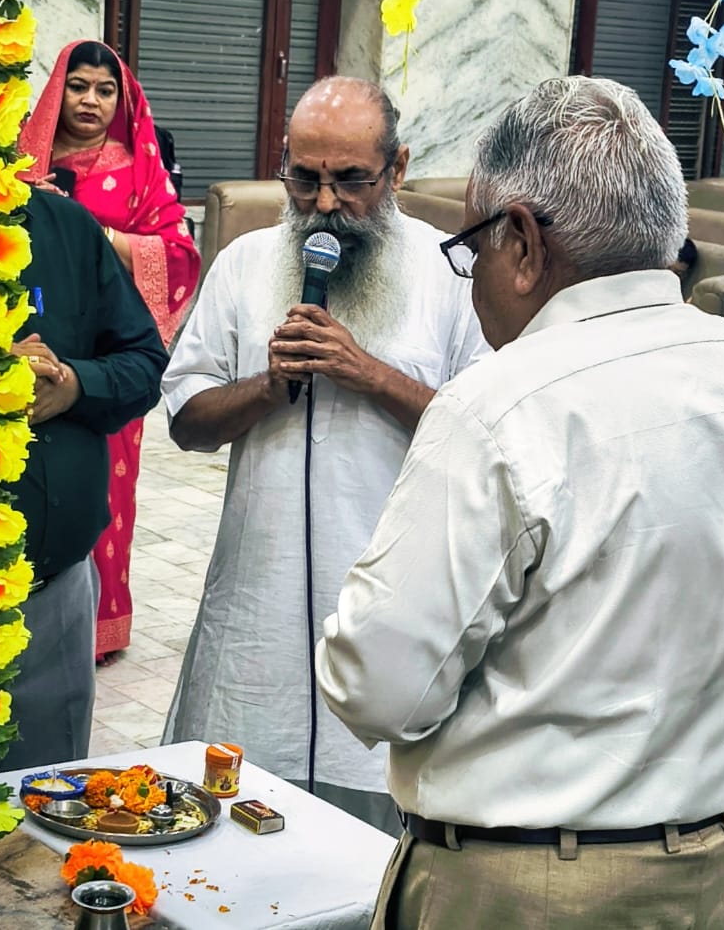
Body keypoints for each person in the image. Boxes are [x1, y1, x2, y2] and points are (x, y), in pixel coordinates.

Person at [315, 76, 724, 930]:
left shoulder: (501, 405)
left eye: (472, 249)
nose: (472, 277)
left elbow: (376, 686)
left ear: (521, 240)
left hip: (538, 889)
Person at [160, 76, 486, 831]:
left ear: (397, 168)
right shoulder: (244, 264)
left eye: (351, 180)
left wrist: (366, 371)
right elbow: (186, 420)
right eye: (304, 177)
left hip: (394, 623)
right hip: (256, 624)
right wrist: (268, 388)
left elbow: (488, 437)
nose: (326, 203)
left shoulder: (451, 274)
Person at [0, 187, 166, 769]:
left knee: (45, 810)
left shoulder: (63, 225)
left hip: (53, 595)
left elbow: (145, 362)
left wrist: (73, 383)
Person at [15, 39, 200, 663]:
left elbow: (177, 253)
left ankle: (96, 624)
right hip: (24, 344)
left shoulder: (135, 165)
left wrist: (101, 236)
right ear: (55, 90)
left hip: (103, 356)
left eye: (105, 90)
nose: (90, 101)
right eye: (78, 86)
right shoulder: (18, 161)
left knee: (106, 487)